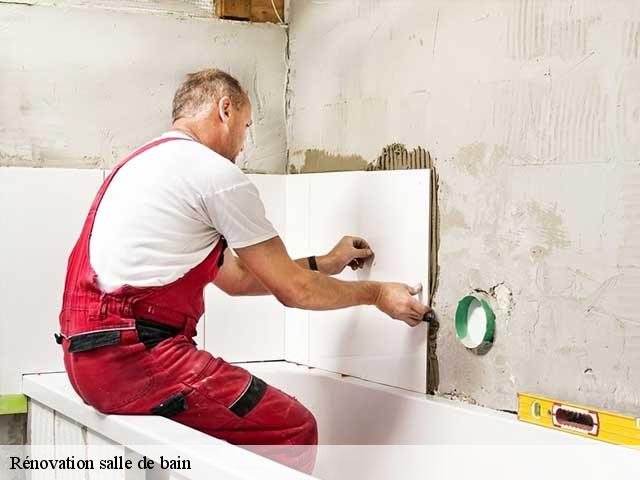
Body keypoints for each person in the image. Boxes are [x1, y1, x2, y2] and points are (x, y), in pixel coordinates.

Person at [57, 68, 430, 474]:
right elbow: (295, 292)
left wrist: (325, 262)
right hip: (137, 359)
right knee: (290, 429)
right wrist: (377, 294)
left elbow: (236, 279)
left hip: (90, 360)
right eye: (246, 127)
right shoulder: (215, 174)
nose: (243, 144)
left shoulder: (143, 165)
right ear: (225, 109)